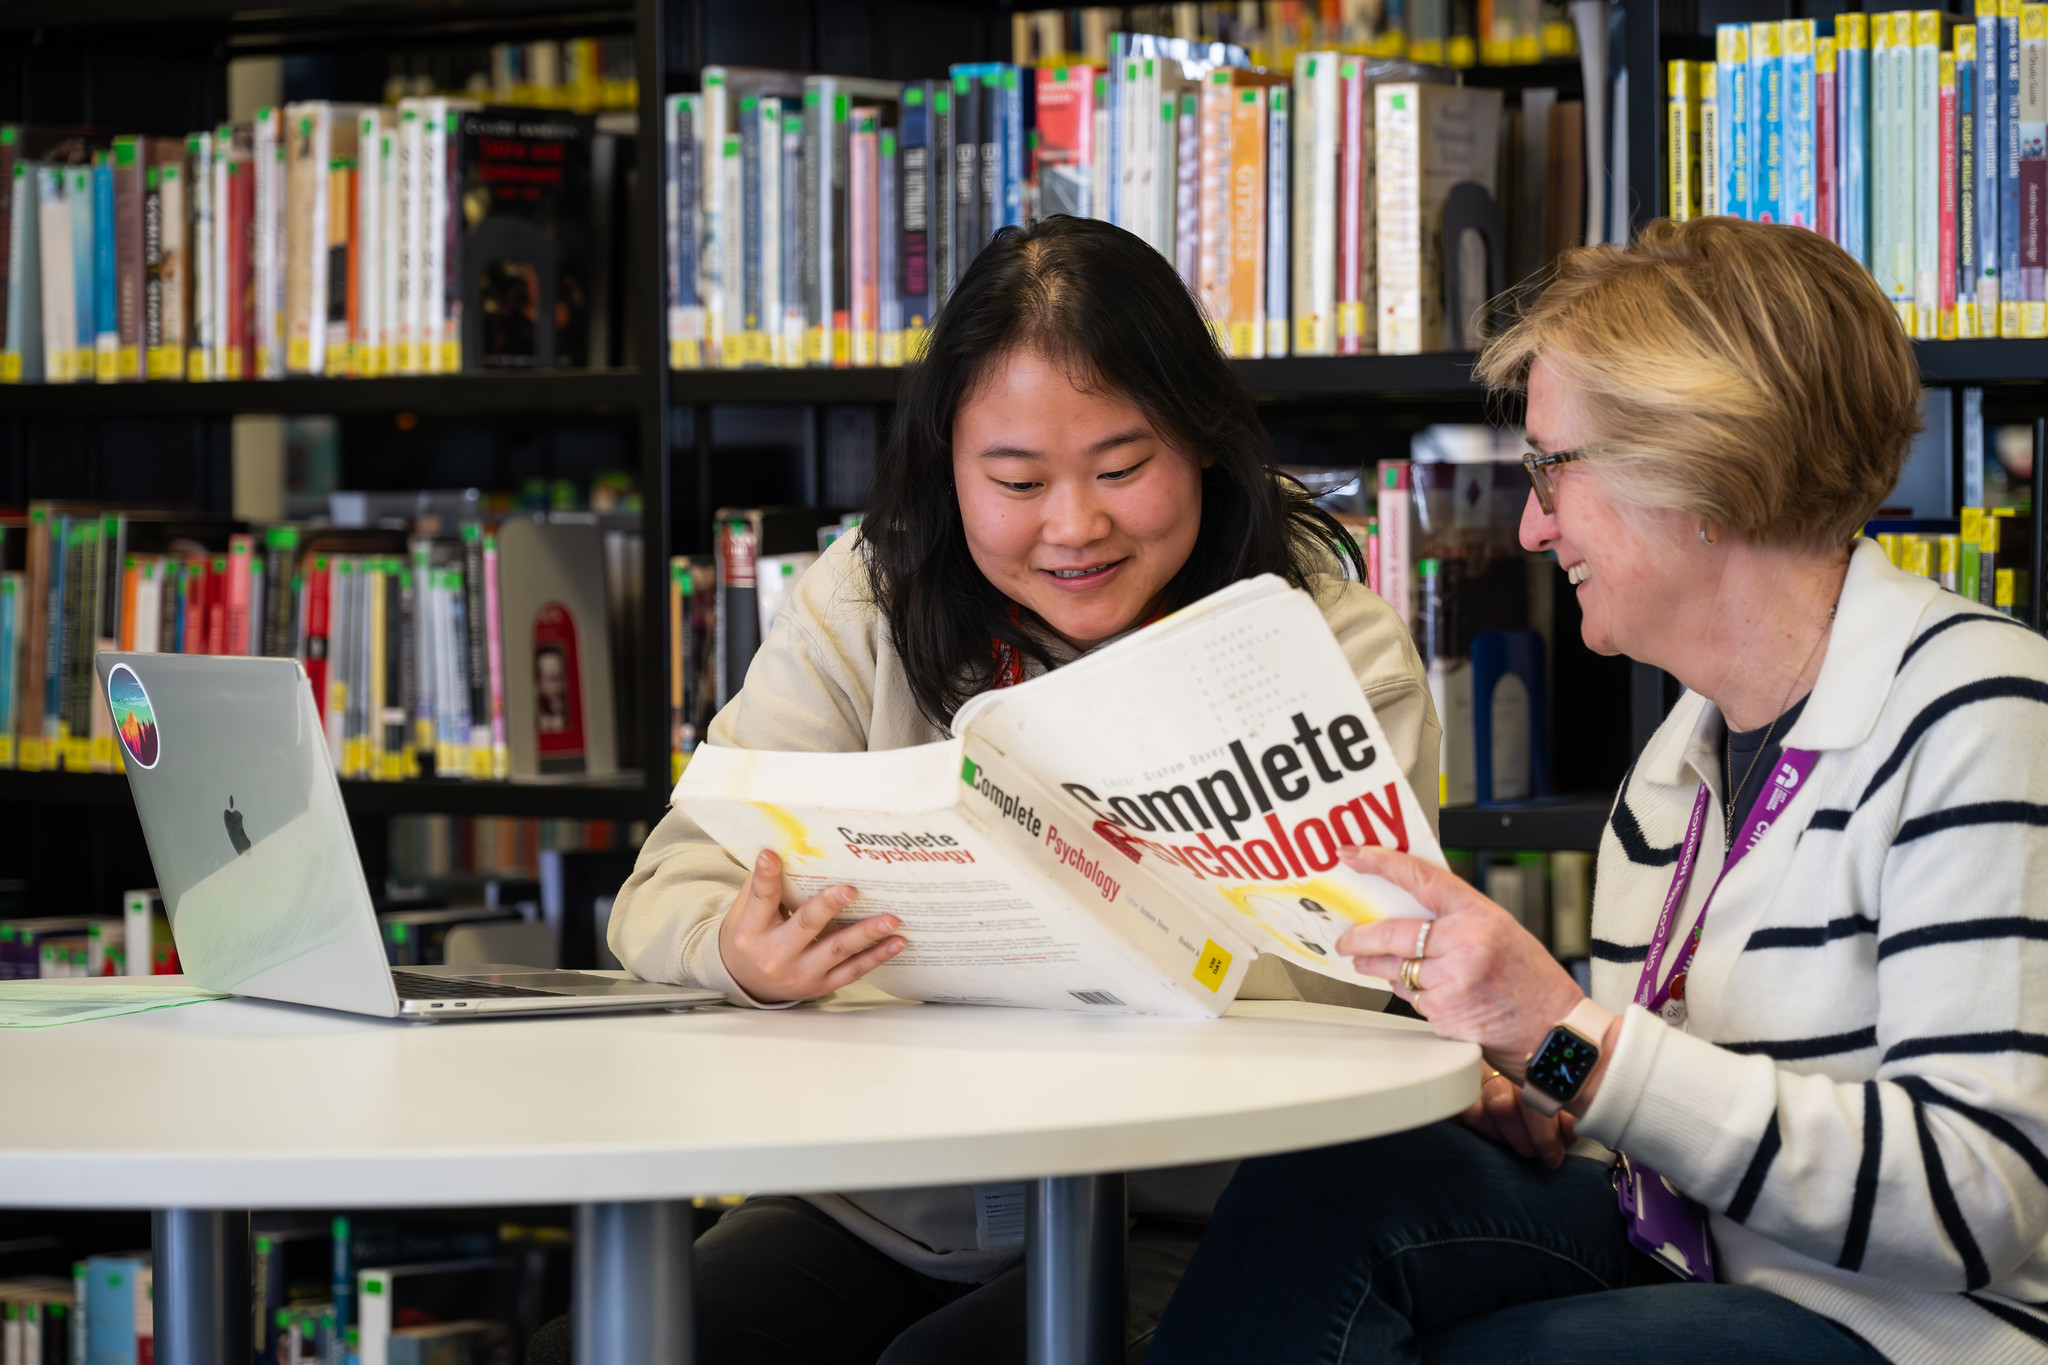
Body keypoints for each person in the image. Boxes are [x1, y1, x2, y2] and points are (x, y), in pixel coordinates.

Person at [1150, 216, 2048, 1363]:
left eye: (1548, 469)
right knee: (1330, 1185)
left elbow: (1977, 1201)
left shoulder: (1975, 711)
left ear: (1697, 463)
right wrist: (1541, 1083)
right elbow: (1665, 1131)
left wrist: (1567, 1036)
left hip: (1914, 1329)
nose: (1530, 526)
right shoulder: (1674, 773)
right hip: (1701, 1256)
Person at [557, 215, 1439, 1365]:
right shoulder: (863, 605)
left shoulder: (1326, 644)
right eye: (1015, 480)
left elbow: (1353, 978)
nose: (1073, 526)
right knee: (615, 1345)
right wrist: (735, 950)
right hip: (896, 1194)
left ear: (1204, 443)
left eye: (1122, 469)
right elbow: (669, 883)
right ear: (947, 468)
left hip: (1188, 1205)